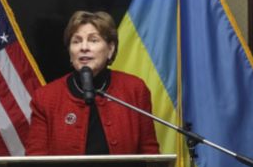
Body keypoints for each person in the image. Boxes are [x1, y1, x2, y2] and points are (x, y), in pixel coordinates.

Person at [26, 10, 159, 156]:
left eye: (93, 40)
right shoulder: (46, 98)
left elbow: (150, 155)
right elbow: (35, 161)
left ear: (110, 49)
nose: (84, 47)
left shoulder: (134, 89)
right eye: (76, 41)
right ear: (70, 52)